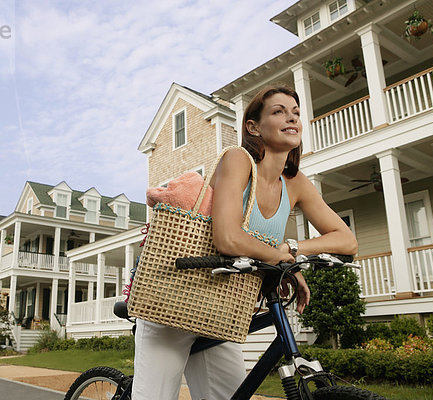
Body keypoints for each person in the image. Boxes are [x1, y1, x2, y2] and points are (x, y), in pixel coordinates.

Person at [132, 83, 358, 400]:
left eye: (296, 113)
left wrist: (292, 251)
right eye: (279, 112)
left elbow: (346, 241)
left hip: (222, 310)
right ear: (253, 126)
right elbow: (227, 237)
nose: (292, 119)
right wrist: (283, 262)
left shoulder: (296, 183)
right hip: (174, 298)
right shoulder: (238, 160)